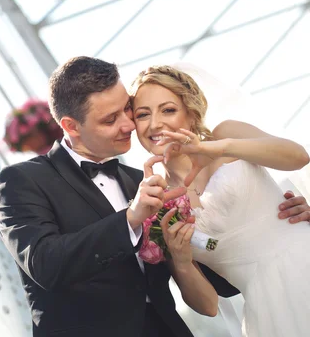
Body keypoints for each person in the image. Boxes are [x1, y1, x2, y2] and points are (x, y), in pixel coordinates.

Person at [0, 56, 310, 337]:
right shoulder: (23, 181)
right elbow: (46, 263)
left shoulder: (142, 184)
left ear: (191, 109)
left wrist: (283, 216)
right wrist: (177, 254)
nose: (130, 125)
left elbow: (296, 157)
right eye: (117, 118)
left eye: (127, 111)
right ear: (69, 126)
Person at [130, 64, 310, 337]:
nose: (155, 124)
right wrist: (181, 260)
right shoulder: (157, 207)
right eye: (143, 115)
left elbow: (297, 157)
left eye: (168, 110)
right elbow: (209, 305)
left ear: (191, 113)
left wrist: (216, 147)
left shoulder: (227, 134)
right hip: (268, 310)